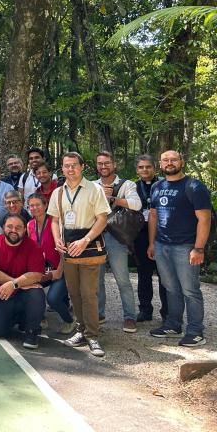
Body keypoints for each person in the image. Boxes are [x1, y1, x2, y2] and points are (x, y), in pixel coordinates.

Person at [48, 151, 110, 357]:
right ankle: (81, 329)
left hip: (88, 246)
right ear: (62, 168)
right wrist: (57, 239)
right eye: (66, 166)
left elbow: (102, 218)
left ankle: (93, 335)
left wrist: (86, 240)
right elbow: (55, 220)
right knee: (73, 293)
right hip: (68, 249)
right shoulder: (58, 192)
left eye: (74, 165)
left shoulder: (94, 189)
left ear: (82, 167)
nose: (70, 169)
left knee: (88, 294)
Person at [148, 150, 210, 347]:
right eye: (165, 160)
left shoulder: (194, 186)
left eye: (173, 159)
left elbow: (204, 218)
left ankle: (195, 331)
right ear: (160, 163)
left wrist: (198, 248)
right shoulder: (157, 186)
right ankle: (173, 325)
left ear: (181, 161)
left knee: (190, 290)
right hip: (161, 245)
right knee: (170, 288)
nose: (169, 162)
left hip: (186, 246)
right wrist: (152, 243)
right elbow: (154, 216)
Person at [0, 214, 46, 349]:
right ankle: (14, 319)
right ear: (3, 228)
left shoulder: (33, 246)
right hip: (0, 295)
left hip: (23, 296)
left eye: (18, 227)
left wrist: (14, 285)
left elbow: (37, 275)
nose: (13, 230)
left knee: (37, 293)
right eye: (9, 227)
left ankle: (32, 332)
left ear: (25, 230)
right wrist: (15, 283)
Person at [94, 150, 141, 332]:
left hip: (116, 236)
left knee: (122, 279)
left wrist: (112, 198)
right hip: (96, 236)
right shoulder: (92, 185)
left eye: (107, 163)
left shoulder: (126, 184)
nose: (103, 166)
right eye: (100, 163)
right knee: (96, 279)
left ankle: (130, 317)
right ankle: (99, 313)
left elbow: (136, 205)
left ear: (114, 165)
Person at [27, 193, 74, 334]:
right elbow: (30, 250)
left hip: (59, 268)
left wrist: (59, 271)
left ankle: (69, 321)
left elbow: (63, 249)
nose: (34, 208)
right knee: (30, 289)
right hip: (41, 270)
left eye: (38, 205)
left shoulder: (55, 223)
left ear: (46, 205)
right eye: (31, 205)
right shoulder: (30, 225)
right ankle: (40, 318)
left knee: (53, 298)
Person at [134, 154, 167, 322]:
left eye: (148, 166)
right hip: (141, 236)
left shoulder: (164, 184)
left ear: (154, 168)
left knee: (164, 275)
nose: (144, 170)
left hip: (162, 234)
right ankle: (145, 310)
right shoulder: (133, 187)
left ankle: (167, 312)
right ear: (137, 170)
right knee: (144, 274)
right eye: (141, 167)